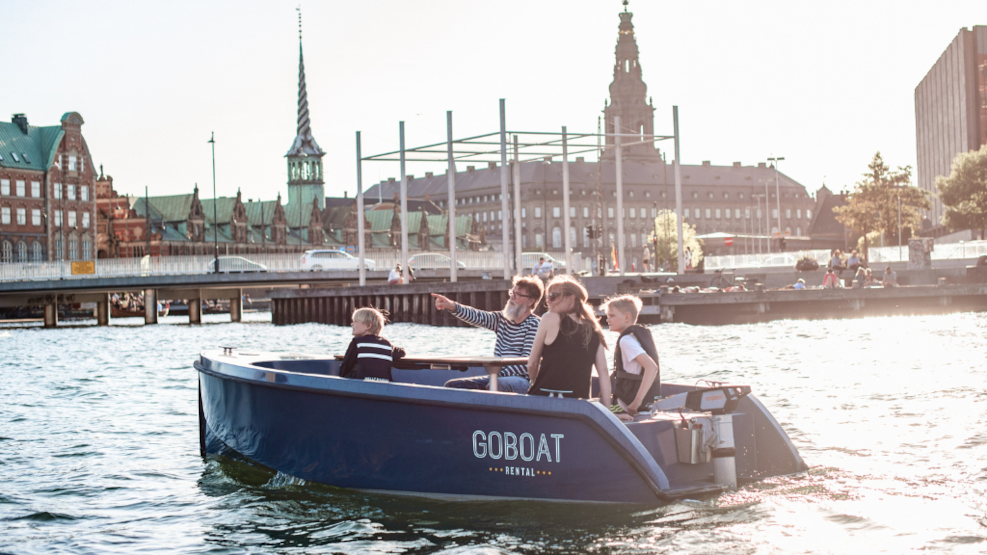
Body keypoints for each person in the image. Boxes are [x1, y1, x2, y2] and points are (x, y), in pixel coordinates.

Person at [432, 275, 543, 393]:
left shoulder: (534, 324)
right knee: (452, 385)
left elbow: (526, 363)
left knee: (497, 384)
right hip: (497, 376)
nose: (512, 298)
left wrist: (497, 373)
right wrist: (452, 306)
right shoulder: (502, 319)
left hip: (521, 380)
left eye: (518, 295)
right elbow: (478, 316)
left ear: (531, 301)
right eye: (512, 293)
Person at [527, 275, 611, 404]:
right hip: (579, 402)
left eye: (553, 296)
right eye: (548, 297)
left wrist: (534, 383)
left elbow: (532, 364)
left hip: (545, 397)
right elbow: (604, 373)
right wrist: (607, 410)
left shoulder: (550, 318)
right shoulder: (594, 328)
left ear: (571, 298)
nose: (548, 302)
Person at [601, 295, 660, 421]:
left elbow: (651, 367)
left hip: (626, 405)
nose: (607, 320)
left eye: (612, 316)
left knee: (599, 410)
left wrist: (636, 402)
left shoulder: (626, 341)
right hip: (646, 404)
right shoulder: (635, 336)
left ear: (627, 317)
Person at [339, 307, 405, 381]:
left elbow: (346, 366)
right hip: (384, 384)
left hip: (360, 384)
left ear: (368, 326)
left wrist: (342, 377)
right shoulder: (387, 344)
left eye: (355, 321)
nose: (352, 324)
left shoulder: (356, 342)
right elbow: (401, 352)